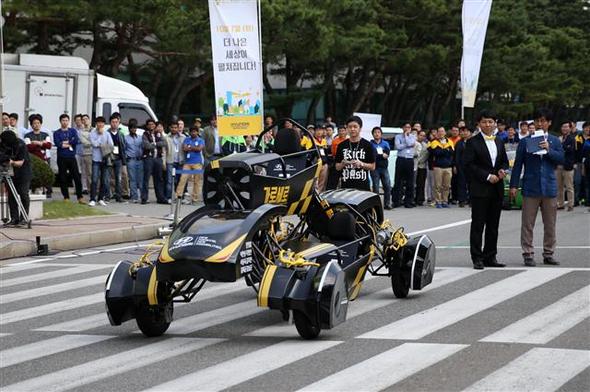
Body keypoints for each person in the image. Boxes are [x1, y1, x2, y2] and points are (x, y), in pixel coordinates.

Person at [509, 108, 564, 267]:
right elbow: (518, 164)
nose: (540, 123)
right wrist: (513, 185)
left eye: (543, 121)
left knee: (550, 223)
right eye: (538, 121)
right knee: (527, 223)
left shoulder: (554, 141)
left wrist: (548, 149)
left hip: (549, 187)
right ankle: (528, 253)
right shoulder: (526, 141)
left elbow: (561, 159)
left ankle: (549, 253)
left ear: (549, 123)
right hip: (530, 186)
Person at [463, 110, 509, 270]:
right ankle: (477, 257)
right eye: (484, 122)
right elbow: (468, 165)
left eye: (490, 121)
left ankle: (490, 256)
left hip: (497, 188)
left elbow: (504, 161)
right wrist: (487, 176)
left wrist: (503, 171)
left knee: (493, 225)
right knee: (478, 225)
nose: (488, 124)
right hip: (480, 188)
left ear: (495, 123)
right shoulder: (472, 142)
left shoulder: (499, 141)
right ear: (479, 124)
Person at [335, 116, 375, 191]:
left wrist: (361, 164)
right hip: (346, 187)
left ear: (360, 128)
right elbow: (337, 167)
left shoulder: (367, 145)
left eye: (355, 127)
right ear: (346, 129)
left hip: (363, 186)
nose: (352, 129)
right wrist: (342, 164)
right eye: (350, 127)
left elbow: (373, 167)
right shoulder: (341, 145)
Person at [0, 130, 32, 226]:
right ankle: (14, 219)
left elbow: (20, 163)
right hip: (9, 172)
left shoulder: (20, 145)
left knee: (23, 193)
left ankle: (24, 218)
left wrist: (11, 162)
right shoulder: (3, 144)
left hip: (23, 172)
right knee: (11, 195)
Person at [53, 114, 85, 203]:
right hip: (61, 157)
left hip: (71, 157)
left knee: (76, 177)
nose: (65, 122)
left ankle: (80, 197)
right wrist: (68, 143)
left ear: (69, 121)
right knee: (63, 178)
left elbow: (76, 141)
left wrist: (66, 143)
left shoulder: (73, 131)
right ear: (60, 121)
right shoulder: (57, 132)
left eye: (66, 120)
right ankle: (66, 197)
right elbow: (58, 143)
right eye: (63, 120)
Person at [24, 114, 53, 197]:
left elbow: (49, 146)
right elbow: (28, 147)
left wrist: (36, 143)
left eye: (38, 123)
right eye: (34, 123)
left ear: (41, 124)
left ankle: (47, 191)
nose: (36, 125)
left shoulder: (45, 134)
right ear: (31, 125)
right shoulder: (27, 135)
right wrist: (41, 143)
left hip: (43, 158)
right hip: (32, 158)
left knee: (44, 174)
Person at [176, 126, 204, 204]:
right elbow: (184, 149)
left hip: (197, 163)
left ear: (198, 132)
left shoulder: (200, 140)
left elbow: (199, 149)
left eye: (195, 131)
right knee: (182, 179)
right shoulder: (186, 139)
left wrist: (190, 147)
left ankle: (195, 199)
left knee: (196, 181)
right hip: (187, 163)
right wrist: (194, 148)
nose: (193, 133)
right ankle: (178, 196)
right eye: (192, 132)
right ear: (189, 132)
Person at [89, 117, 113, 206]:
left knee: (104, 180)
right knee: (94, 179)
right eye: (98, 123)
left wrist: (101, 142)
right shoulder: (92, 133)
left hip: (105, 158)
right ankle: (92, 199)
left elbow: (111, 145)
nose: (100, 124)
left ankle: (100, 198)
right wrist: (100, 136)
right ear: (96, 124)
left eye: (102, 123)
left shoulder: (107, 133)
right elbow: (94, 144)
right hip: (96, 158)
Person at [428, 126, 454, 208]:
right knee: (438, 185)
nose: (441, 133)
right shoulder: (433, 142)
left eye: (442, 131)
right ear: (437, 133)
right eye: (439, 131)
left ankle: (445, 201)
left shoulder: (450, 141)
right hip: (438, 166)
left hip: (448, 167)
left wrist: (442, 151)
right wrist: (445, 151)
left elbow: (452, 152)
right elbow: (436, 153)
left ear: (445, 133)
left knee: (447, 186)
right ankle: (438, 201)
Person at [142, 119, 167, 204]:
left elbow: (164, 143)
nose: (151, 126)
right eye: (149, 124)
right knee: (146, 178)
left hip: (158, 158)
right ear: (147, 126)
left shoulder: (158, 134)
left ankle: (160, 198)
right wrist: (156, 144)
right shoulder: (145, 134)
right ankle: (144, 198)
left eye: (153, 124)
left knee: (159, 179)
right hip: (148, 158)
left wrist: (154, 144)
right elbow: (146, 145)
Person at [392, 123, 417, 208]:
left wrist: (406, 137)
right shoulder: (398, 136)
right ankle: (396, 201)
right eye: (405, 127)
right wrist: (407, 144)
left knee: (410, 182)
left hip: (409, 160)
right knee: (398, 180)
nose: (407, 129)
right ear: (402, 128)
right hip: (401, 159)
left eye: (409, 127)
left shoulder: (413, 136)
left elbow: (412, 143)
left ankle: (408, 201)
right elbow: (398, 147)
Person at [106, 115, 126, 202]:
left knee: (119, 178)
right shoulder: (106, 133)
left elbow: (123, 147)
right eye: (113, 122)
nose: (114, 124)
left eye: (116, 122)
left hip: (118, 158)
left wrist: (123, 160)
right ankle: (107, 195)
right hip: (109, 157)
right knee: (108, 178)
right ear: (110, 123)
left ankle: (118, 196)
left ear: (119, 123)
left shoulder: (121, 134)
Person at [164, 121, 186, 202]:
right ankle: (169, 197)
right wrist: (164, 162)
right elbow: (164, 151)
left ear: (178, 128)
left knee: (179, 180)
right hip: (170, 161)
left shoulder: (183, 137)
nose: (174, 129)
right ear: (170, 128)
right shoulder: (166, 137)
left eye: (175, 127)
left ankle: (179, 197)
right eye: (172, 127)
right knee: (170, 180)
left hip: (180, 161)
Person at [370, 126, 391, 209]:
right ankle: (376, 206)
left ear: (381, 134)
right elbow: (372, 155)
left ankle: (387, 204)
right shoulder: (370, 144)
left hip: (384, 168)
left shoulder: (385, 143)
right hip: (374, 168)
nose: (377, 134)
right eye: (375, 132)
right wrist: (381, 155)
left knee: (387, 186)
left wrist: (380, 155)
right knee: (376, 188)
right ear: (373, 134)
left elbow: (387, 154)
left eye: (378, 132)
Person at [556, 120, 575, 211]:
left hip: (568, 166)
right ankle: (560, 204)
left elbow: (570, 150)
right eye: (563, 127)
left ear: (570, 128)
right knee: (559, 186)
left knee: (569, 186)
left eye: (567, 127)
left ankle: (571, 204)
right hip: (559, 165)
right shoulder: (559, 138)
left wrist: (562, 147)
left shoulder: (572, 138)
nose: (565, 128)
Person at [124, 119, 144, 204]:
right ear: (129, 129)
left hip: (139, 160)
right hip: (131, 160)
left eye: (135, 128)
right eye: (132, 128)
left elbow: (143, 148)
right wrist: (126, 157)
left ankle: (143, 196)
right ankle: (134, 196)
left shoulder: (140, 138)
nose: (134, 129)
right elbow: (124, 149)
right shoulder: (126, 138)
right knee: (132, 179)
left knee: (141, 179)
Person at [454, 126, 472, 207]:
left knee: (471, 184)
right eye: (462, 131)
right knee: (461, 183)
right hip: (461, 166)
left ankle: (471, 200)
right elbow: (456, 155)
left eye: (466, 131)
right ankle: (462, 200)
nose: (464, 133)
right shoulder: (459, 143)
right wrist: (455, 165)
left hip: (472, 166)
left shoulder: (473, 142)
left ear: (470, 132)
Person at [76, 114, 93, 195]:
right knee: (85, 172)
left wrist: (93, 141)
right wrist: (92, 142)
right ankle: (87, 189)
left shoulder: (94, 129)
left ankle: (94, 189)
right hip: (85, 153)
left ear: (89, 120)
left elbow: (96, 140)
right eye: (84, 119)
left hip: (94, 154)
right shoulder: (80, 131)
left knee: (94, 173)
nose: (85, 120)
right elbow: (85, 142)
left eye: (87, 119)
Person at [414, 130, 429, 206]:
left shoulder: (426, 145)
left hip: (421, 166)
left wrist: (418, 161)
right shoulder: (413, 143)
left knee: (421, 184)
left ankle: (420, 199)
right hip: (413, 166)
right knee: (413, 184)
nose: (422, 137)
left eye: (424, 136)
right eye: (421, 135)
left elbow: (425, 157)